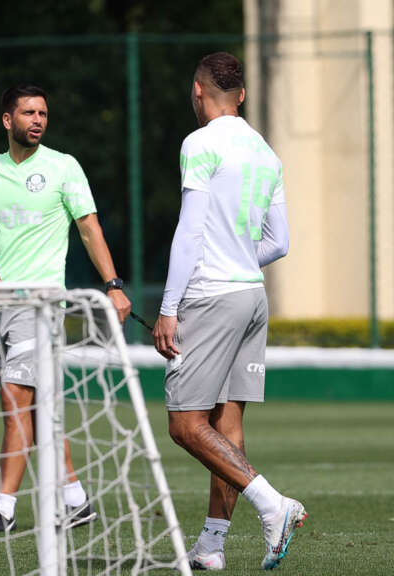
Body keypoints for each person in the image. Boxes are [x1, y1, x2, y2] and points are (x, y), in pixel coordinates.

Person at [152, 52, 303, 571]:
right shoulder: (266, 151)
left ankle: (273, 504)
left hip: (212, 295)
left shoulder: (199, 143)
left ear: (198, 91)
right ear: (239, 94)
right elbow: (279, 242)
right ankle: (212, 546)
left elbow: (190, 231)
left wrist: (168, 307)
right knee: (228, 424)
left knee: (185, 424)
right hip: (252, 295)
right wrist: (238, 258)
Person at [0, 84, 131, 533]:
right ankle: (75, 500)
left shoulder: (63, 167)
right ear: (7, 120)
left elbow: (89, 228)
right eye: (28, 113)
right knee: (38, 406)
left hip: (40, 306)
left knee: (14, 397)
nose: (37, 120)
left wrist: (112, 285)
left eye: (43, 113)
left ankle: (4, 507)